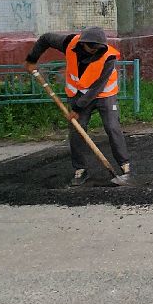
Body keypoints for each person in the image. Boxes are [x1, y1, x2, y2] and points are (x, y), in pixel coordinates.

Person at [25, 25, 131, 185]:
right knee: (76, 129)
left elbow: (97, 87)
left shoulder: (108, 56)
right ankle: (80, 170)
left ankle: (125, 167)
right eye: (93, 48)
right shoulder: (69, 43)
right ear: (83, 43)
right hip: (77, 93)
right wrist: (32, 59)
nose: (96, 51)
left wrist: (77, 108)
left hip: (103, 93)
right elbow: (45, 39)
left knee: (112, 126)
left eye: (99, 48)